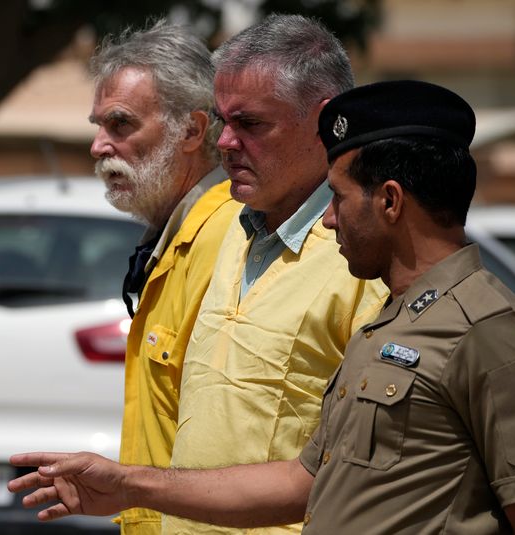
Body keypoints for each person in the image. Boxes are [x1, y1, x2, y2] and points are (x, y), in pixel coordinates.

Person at [8, 80, 515, 534]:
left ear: (389, 201)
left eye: (339, 199)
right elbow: (302, 483)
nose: (328, 220)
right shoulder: (391, 324)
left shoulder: (493, 334)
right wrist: (129, 485)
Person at [166, 14, 387, 534]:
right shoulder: (234, 230)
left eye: (251, 124)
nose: (224, 143)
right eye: (223, 122)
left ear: (327, 123)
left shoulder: (365, 261)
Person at [88, 19, 240, 535]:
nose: (99, 146)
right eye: (99, 126)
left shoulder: (227, 238)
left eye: (121, 125)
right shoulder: (177, 233)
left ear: (194, 131)